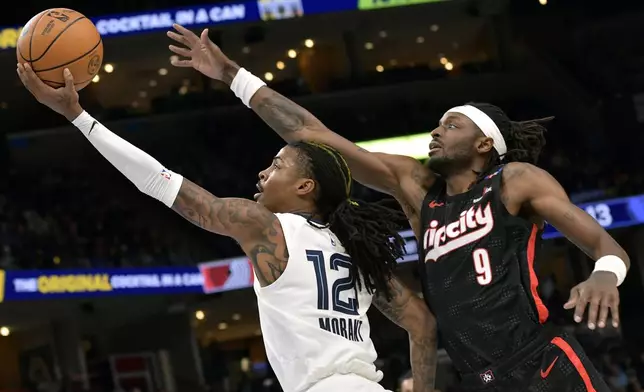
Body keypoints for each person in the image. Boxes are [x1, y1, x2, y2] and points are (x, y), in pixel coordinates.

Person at [165, 23, 631, 391]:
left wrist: (605, 274)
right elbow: (310, 134)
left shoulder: (513, 180)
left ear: (485, 143)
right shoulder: (416, 188)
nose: (436, 132)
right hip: (477, 380)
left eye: (451, 126)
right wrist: (231, 75)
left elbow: (604, 245)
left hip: (540, 362)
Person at [17, 62, 437, 392]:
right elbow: (422, 324)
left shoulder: (268, 227)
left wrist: (79, 116)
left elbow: (160, 181)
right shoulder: (357, 250)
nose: (261, 173)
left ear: (306, 186)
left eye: (276, 166)